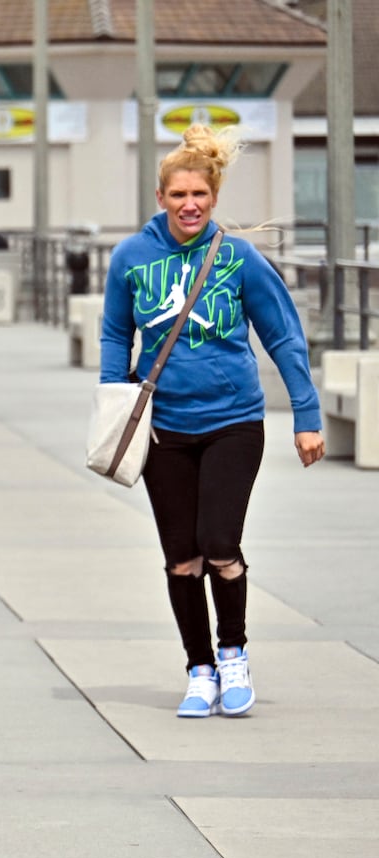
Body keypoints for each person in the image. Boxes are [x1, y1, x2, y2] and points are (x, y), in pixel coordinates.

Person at [99, 124, 324, 720]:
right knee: (181, 556)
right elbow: (115, 334)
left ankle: (233, 653)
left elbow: (283, 335)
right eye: (178, 196)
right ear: (160, 198)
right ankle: (198, 669)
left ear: (214, 197)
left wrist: (307, 415)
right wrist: (112, 403)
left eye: (199, 194)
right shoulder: (131, 258)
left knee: (220, 544)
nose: (189, 204)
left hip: (233, 421)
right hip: (163, 428)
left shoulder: (235, 257)